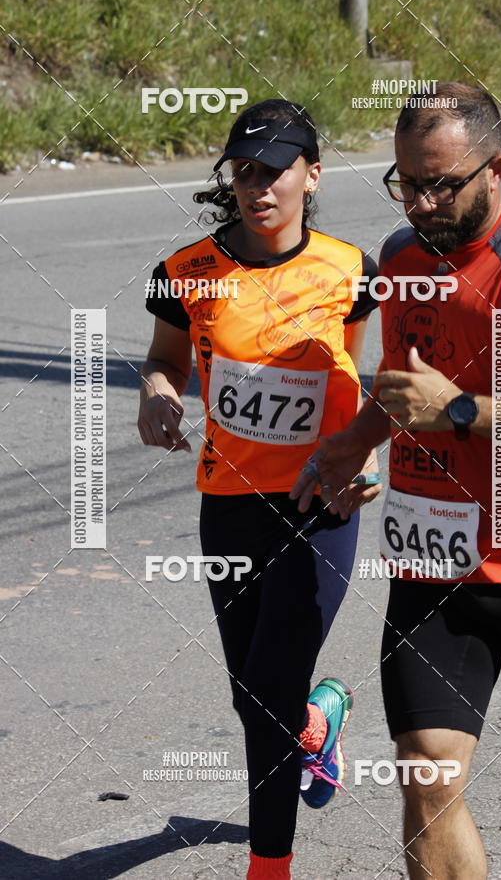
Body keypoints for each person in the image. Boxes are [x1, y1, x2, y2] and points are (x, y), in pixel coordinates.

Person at [291, 82, 501, 879]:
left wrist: (460, 409)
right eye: (407, 182)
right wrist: (354, 441)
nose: (422, 203)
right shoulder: (400, 258)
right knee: (427, 774)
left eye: (442, 184)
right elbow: (401, 378)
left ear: (495, 170)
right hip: (433, 565)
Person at [138, 98, 380, 880]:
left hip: (323, 503)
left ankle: (268, 866)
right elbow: (166, 361)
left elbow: (351, 369)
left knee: (269, 681)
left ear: (312, 176)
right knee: (253, 694)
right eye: (244, 171)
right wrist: (158, 392)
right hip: (230, 504)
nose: (258, 186)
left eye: (276, 170)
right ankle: (319, 723)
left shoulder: (352, 270)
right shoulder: (186, 272)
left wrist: (360, 453)